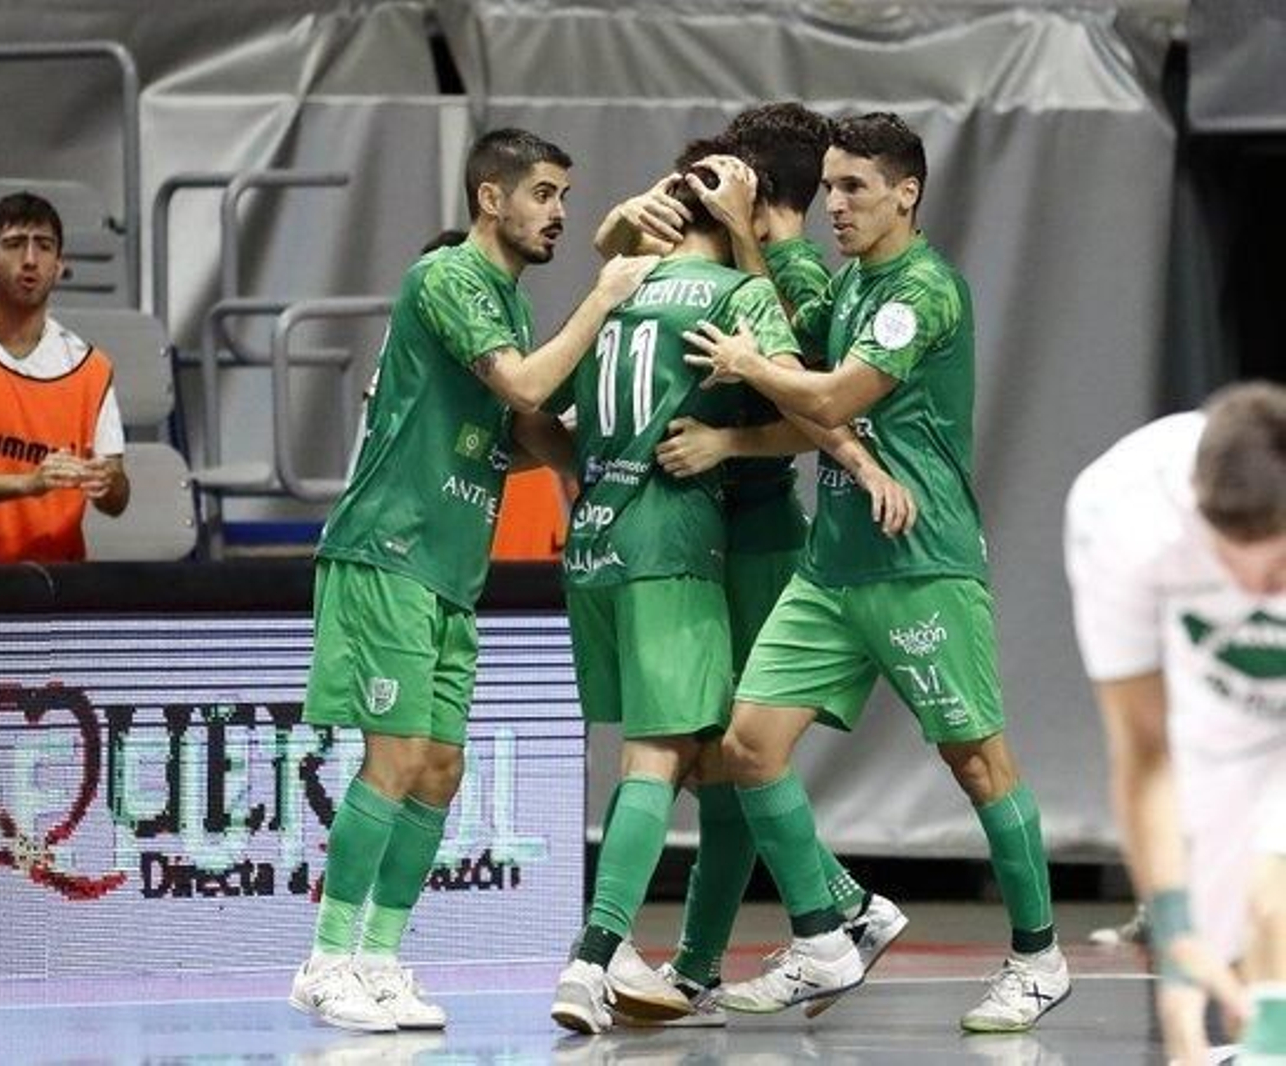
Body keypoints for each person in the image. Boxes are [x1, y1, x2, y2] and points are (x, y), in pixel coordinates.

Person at [682, 112, 1070, 1032]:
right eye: (829, 187)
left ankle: (1039, 955)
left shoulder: (921, 293)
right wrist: (742, 233)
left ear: (908, 192)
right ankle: (824, 935)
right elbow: (800, 351)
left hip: (920, 561)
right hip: (834, 565)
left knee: (976, 762)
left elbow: (826, 394)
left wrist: (744, 363)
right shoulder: (852, 283)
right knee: (745, 747)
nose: (836, 205)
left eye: (855, 188)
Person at [289, 128, 656, 1033]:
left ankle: (379, 957)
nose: (559, 213)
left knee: (442, 771)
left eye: (565, 196)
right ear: (490, 198)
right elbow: (528, 388)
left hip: (451, 569)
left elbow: (523, 429)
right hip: (389, 552)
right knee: (395, 759)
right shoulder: (448, 277)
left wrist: (608, 468)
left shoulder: (510, 305)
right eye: (542, 193)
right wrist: (608, 294)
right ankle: (327, 958)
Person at [587, 105, 914, 1029]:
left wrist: (730, 443)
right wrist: (634, 212)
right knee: (718, 753)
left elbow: (819, 412)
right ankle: (799, 924)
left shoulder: (797, 271)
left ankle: (833, 915)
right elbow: (613, 245)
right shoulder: (721, 263)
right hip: (711, 531)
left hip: (764, 530)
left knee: (733, 749)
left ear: (760, 191)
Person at [1064, 382, 1284, 1064]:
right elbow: (1143, 750)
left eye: (1278, 567)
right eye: (1235, 563)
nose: (1256, 588)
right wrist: (1179, 925)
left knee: (1271, 884)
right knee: (1208, 931)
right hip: (1207, 688)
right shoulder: (1125, 520)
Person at [0, 192, 128, 562]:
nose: (30, 260)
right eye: (14, 244)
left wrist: (109, 482)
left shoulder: (91, 368)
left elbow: (116, 501)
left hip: (57, 588)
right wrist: (28, 483)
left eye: (44, 246)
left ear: (58, 265)